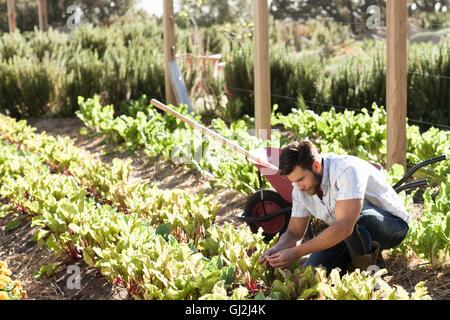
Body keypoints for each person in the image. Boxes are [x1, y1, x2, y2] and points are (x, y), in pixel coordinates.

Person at [258, 140, 410, 274]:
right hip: (347, 234)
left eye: (301, 179)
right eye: (294, 181)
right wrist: (276, 250)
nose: (299, 187)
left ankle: (371, 274)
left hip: (392, 226)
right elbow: (294, 233)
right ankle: (355, 258)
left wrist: (296, 252)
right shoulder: (300, 188)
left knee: (356, 220)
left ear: (316, 166)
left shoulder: (346, 170)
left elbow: (344, 226)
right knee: (311, 274)